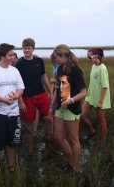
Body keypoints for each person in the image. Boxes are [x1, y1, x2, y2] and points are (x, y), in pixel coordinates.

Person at [50, 44, 87, 173]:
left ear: (64, 56)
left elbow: (83, 92)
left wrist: (70, 100)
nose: (56, 60)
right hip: (60, 107)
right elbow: (57, 88)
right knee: (58, 137)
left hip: (72, 108)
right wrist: (52, 104)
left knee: (73, 139)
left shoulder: (76, 70)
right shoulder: (59, 69)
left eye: (57, 57)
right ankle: (71, 162)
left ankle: (75, 168)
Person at [16, 38, 53, 153]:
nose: (26, 50)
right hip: (27, 96)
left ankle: (47, 141)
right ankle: (30, 148)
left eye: (29, 48)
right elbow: (17, 84)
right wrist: (20, 101)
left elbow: (44, 76)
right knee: (29, 123)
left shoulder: (39, 61)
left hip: (41, 93)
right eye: (24, 48)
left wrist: (50, 92)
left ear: (33, 49)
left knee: (49, 118)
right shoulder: (19, 63)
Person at [81, 47, 111, 149]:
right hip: (90, 97)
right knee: (81, 115)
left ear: (97, 56)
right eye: (87, 57)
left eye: (89, 57)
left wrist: (101, 102)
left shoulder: (102, 68)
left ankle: (101, 144)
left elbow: (105, 87)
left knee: (101, 121)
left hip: (100, 100)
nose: (88, 59)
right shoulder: (93, 66)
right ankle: (92, 130)